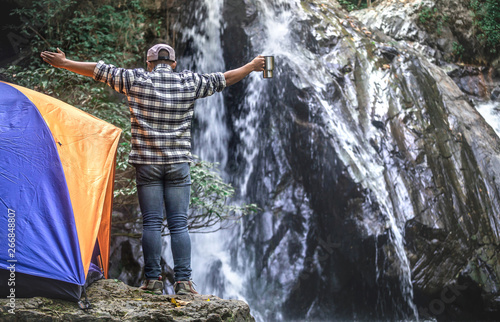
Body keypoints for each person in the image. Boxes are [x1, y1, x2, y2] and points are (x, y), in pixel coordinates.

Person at [41, 44, 265, 295]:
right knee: (179, 224)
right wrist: (252, 66)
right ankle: (183, 283)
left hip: (147, 165)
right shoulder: (189, 82)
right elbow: (223, 79)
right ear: (173, 63)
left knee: (151, 223)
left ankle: (153, 281)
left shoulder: (135, 79)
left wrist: (65, 63)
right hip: (178, 164)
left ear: (148, 63)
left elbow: (98, 70)